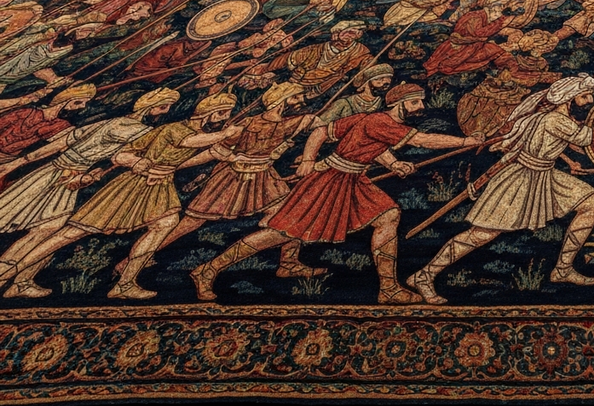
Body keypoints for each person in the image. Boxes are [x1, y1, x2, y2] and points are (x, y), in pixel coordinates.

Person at [189, 83, 482, 304]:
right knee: (282, 232)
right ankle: (208, 269)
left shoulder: (371, 119)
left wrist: (393, 163)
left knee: (388, 216)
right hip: (331, 179)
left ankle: (388, 288)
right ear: (399, 103)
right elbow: (423, 140)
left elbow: (359, 143)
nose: (421, 106)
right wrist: (465, 142)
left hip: (354, 179)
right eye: (415, 102)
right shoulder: (382, 122)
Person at [0, 91, 242, 299]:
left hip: (161, 185)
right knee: (72, 232)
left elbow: (193, 156)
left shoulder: (164, 130)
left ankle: (125, 283)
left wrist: (225, 151)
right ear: (207, 113)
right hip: (132, 186)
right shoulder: (175, 129)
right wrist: (224, 135)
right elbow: (183, 144)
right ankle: (10, 273)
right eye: (222, 113)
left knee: (166, 223)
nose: (224, 118)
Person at [407, 74, 594, 304]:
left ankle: (562, 269)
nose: (590, 100)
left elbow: (560, 143)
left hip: (546, 175)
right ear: (569, 99)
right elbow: (591, 139)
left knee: (593, 203)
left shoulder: (551, 118)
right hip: (521, 179)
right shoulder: (556, 121)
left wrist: (570, 160)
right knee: (481, 234)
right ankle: (424, 275)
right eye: (585, 96)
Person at [135, 82, 325, 279]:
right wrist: (177, 166)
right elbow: (214, 152)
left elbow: (321, 127)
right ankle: (137, 258)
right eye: (296, 97)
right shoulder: (247, 124)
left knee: (290, 214)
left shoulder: (295, 122)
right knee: (191, 222)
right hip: (232, 177)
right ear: (281, 101)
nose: (301, 101)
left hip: (265, 177)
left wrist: (308, 154)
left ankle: (288, 263)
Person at [318, 63, 393, 124]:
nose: (384, 86)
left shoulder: (386, 104)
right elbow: (321, 124)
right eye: (380, 80)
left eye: (387, 83)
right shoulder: (344, 103)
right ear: (367, 82)